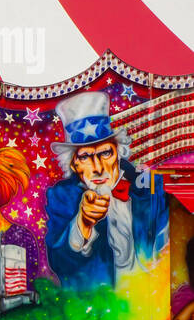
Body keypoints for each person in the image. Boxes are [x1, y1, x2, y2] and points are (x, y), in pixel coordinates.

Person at [45, 91, 167, 291]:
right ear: (74, 164)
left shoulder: (151, 187)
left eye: (105, 153)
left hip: (148, 302)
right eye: (85, 157)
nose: (98, 167)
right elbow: (59, 263)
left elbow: (168, 247)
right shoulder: (62, 197)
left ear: (118, 152)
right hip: (97, 311)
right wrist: (82, 224)